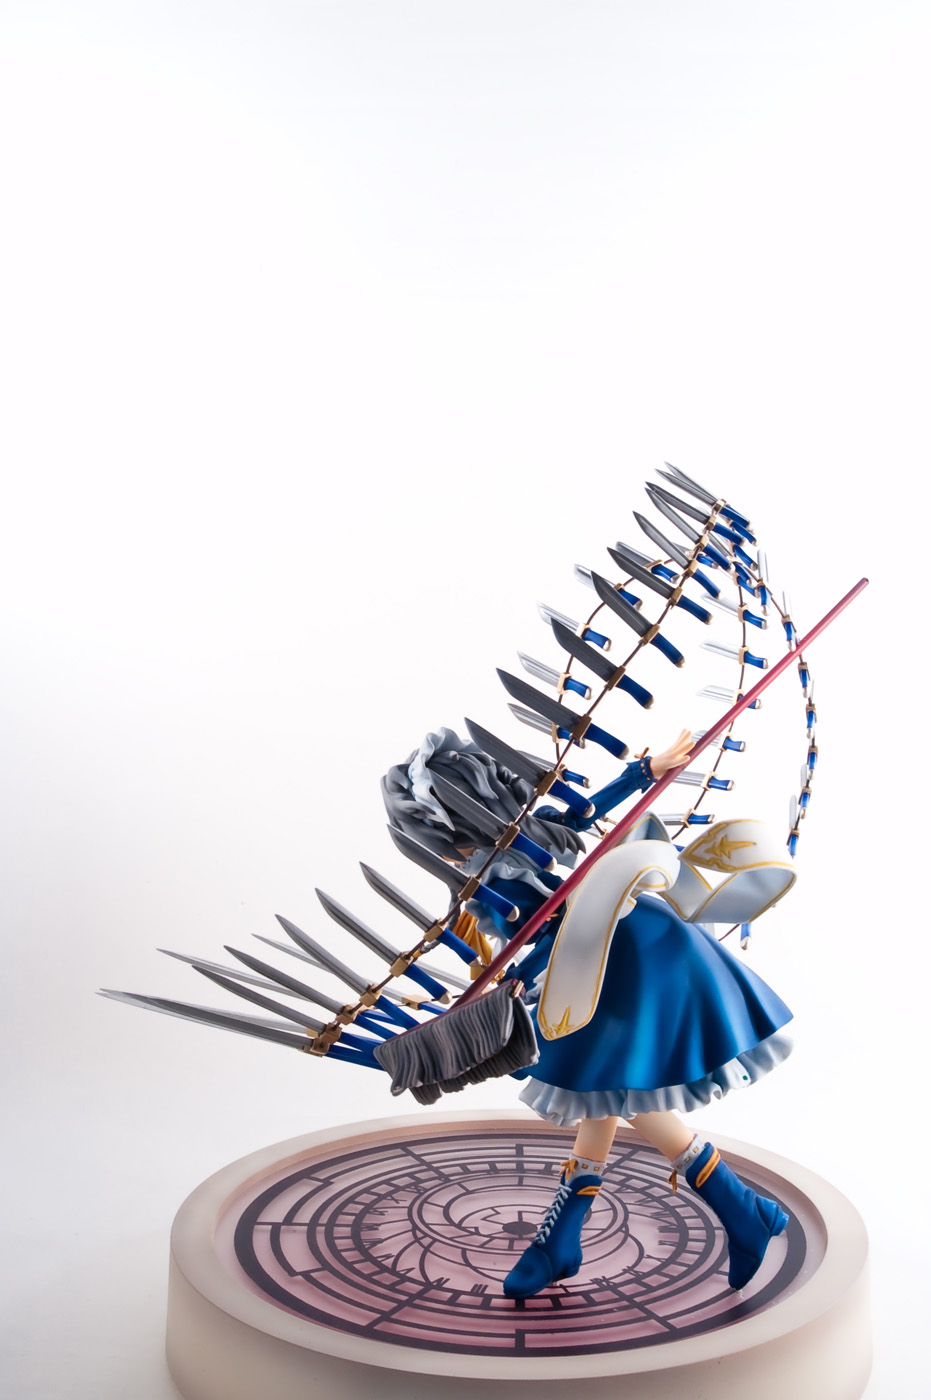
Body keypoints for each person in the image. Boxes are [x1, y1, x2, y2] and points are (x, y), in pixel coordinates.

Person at [383, 727, 795, 1299]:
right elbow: (572, 838)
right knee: (602, 1092)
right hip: (609, 956)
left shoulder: (511, 851)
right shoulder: (483, 873)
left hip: (625, 953)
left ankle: (739, 1209)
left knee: (614, 1090)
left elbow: (568, 885)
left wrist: (645, 771)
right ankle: (569, 1240)